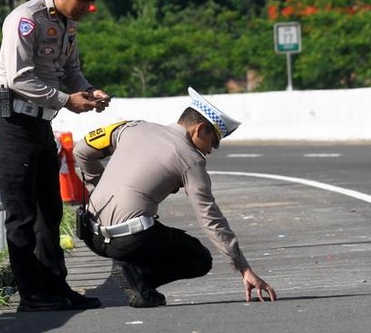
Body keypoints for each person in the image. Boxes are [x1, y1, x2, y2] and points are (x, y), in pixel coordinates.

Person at [0, 0, 113, 313]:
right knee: (22, 214)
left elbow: (69, 69)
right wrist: (65, 100)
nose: (88, 8)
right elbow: (19, 77)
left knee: (50, 211)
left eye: (92, 0)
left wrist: (88, 91)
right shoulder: (25, 20)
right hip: (12, 123)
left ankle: (56, 286)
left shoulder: (67, 24)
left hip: (41, 123)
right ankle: (31, 294)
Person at [74, 87, 278, 308]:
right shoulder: (190, 159)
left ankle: (134, 277)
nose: (211, 150)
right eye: (214, 141)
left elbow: (81, 151)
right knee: (198, 258)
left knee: (152, 230)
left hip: (91, 235)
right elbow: (209, 218)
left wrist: (96, 189)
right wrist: (243, 267)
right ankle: (138, 277)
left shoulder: (131, 127)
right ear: (200, 129)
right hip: (128, 241)